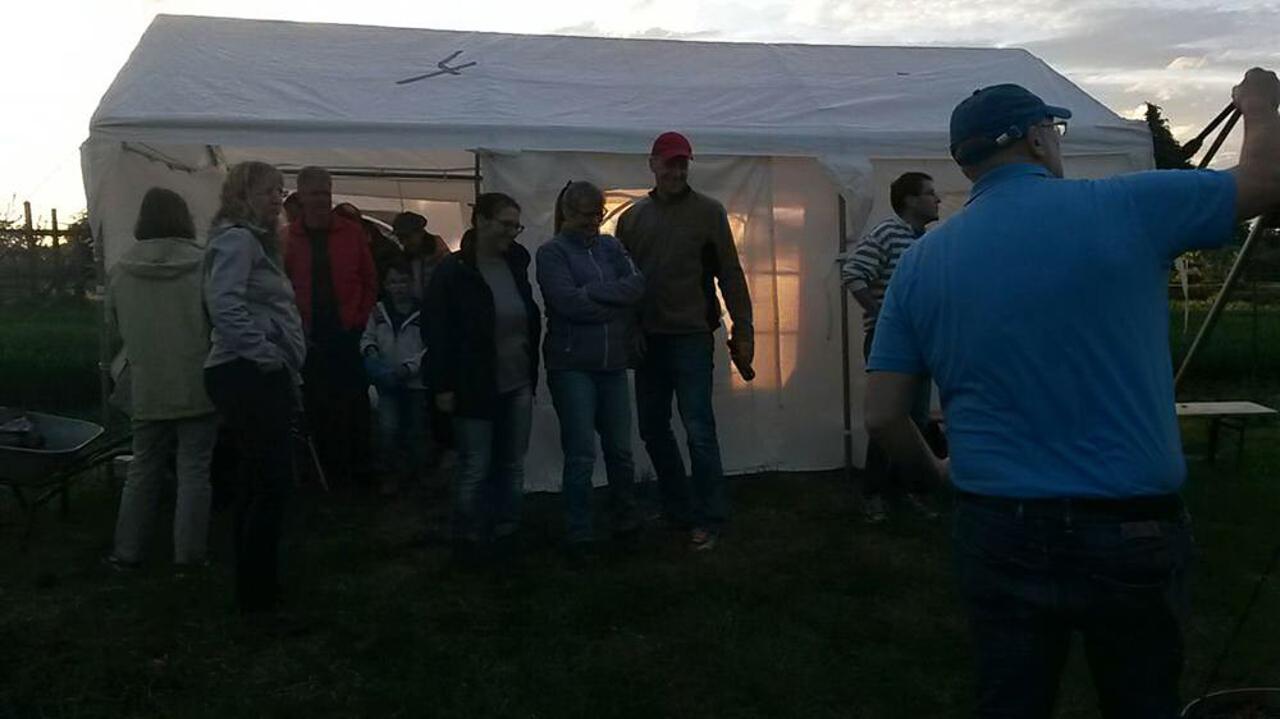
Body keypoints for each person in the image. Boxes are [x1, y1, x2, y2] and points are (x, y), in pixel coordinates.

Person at [864, 69, 1280, 718]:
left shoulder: (920, 262)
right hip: (1131, 524)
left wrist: (938, 475)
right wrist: (1259, 101)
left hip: (996, 523)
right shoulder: (1127, 206)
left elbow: (885, 416)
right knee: (1142, 702)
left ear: (967, 163)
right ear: (1036, 137)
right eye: (1054, 128)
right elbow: (1265, 182)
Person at [616, 131, 754, 552]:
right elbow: (621, 282)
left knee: (698, 430)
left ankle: (710, 516)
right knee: (652, 428)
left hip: (692, 335)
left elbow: (729, 272)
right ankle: (678, 506)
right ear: (653, 164)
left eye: (682, 164)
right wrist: (630, 329)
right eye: (669, 163)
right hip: (649, 339)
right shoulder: (631, 219)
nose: (676, 171)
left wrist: (743, 328)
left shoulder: (709, 212)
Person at [203, 161, 307, 615]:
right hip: (246, 372)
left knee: (256, 481)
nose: (276, 199)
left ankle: (255, 586)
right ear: (242, 195)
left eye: (279, 191)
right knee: (271, 482)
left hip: (253, 371)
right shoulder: (238, 240)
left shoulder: (255, 241)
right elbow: (223, 305)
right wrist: (265, 353)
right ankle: (259, 594)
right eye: (267, 191)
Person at [423, 192, 541, 564]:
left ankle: (506, 531)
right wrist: (443, 385)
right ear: (481, 221)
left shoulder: (516, 262)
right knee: (476, 464)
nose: (512, 232)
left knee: (512, 462)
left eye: (516, 226)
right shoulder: (454, 272)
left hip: (516, 379)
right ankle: (468, 538)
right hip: (473, 383)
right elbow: (437, 331)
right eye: (505, 224)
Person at [105, 188, 218, 570]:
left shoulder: (121, 270)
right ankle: (189, 557)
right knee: (194, 471)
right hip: (196, 381)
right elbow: (217, 318)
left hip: (147, 384)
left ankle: (126, 552)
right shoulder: (203, 264)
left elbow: (115, 326)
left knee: (142, 469)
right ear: (184, 218)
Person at [537, 181, 645, 561]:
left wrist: (593, 295)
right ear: (567, 212)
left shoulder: (611, 246)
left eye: (597, 215)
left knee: (620, 449)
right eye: (585, 215)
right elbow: (566, 303)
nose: (592, 222)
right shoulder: (551, 253)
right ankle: (579, 530)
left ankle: (624, 517)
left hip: (611, 363)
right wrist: (614, 305)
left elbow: (637, 285)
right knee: (581, 452)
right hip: (572, 366)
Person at [841, 172, 941, 523]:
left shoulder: (926, 241)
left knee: (915, 421)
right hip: (889, 343)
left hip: (919, 343)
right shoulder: (887, 232)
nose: (937, 200)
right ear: (910, 200)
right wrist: (883, 317)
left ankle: (907, 491)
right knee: (889, 420)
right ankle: (873, 494)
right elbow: (853, 272)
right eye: (930, 193)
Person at [283, 167, 378, 488]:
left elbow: (369, 279)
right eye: (314, 194)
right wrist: (296, 328)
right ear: (301, 197)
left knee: (356, 405)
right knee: (319, 407)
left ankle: (361, 472)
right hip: (309, 339)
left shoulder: (352, 233)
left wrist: (359, 319)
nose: (321, 200)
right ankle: (330, 476)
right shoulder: (287, 238)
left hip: (347, 334)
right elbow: (282, 287)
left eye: (325, 193)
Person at [361, 260, 427, 497]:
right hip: (386, 381)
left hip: (415, 383)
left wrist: (410, 368)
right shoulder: (378, 311)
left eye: (403, 281)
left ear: (412, 283)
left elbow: (429, 347)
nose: (398, 287)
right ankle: (391, 474)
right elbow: (368, 337)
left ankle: (416, 475)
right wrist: (370, 350)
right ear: (386, 285)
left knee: (416, 430)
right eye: (393, 282)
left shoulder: (424, 312)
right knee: (388, 429)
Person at [392, 211, 452, 301]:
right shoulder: (408, 258)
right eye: (400, 238)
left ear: (420, 233)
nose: (404, 242)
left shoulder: (442, 258)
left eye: (407, 237)